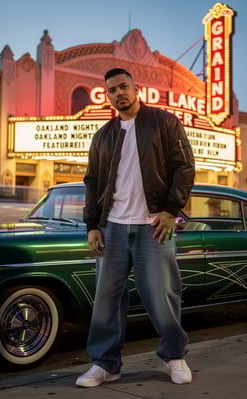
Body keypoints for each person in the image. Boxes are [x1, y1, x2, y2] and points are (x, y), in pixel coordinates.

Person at [76, 68, 195, 388]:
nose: (118, 94)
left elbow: (184, 167)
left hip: (152, 225)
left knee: (163, 295)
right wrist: (92, 225)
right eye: (112, 90)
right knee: (107, 299)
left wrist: (172, 211)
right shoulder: (102, 135)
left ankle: (174, 356)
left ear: (136, 88)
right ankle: (105, 364)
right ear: (108, 95)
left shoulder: (164, 122)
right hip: (112, 227)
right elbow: (92, 182)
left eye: (124, 87)